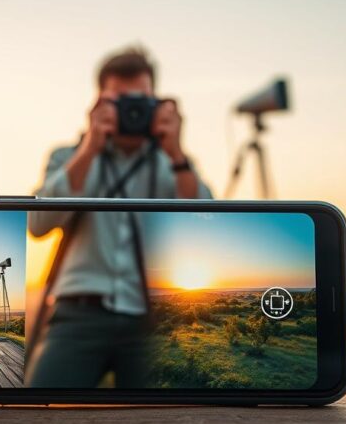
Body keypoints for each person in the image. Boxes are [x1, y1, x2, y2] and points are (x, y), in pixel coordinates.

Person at [27, 46, 213, 388]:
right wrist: (90, 148)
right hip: (77, 313)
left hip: (154, 316)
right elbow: (37, 224)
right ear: (99, 102)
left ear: (156, 102)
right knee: (36, 407)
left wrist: (177, 153)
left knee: (182, 417)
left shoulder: (170, 162)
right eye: (120, 101)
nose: (132, 112)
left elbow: (205, 225)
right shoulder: (69, 156)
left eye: (139, 102)